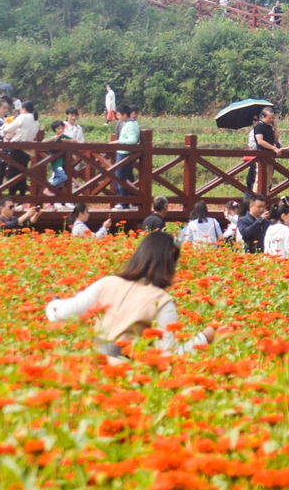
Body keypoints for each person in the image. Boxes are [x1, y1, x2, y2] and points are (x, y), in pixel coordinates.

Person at [44, 231, 209, 363]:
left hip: (92, 369)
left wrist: (54, 305)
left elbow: (64, 312)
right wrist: (205, 337)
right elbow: (168, 353)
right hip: (127, 376)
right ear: (170, 264)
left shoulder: (106, 283)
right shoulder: (162, 301)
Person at [112, 106, 143, 200]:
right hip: (123, 153)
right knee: (122, 178)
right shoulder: (129, 123)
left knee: (119, 179)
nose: (117, 117)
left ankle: (124, 202)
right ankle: (131, 201)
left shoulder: (130, 125)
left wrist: (119, 141)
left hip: (124, 154)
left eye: (118, 115)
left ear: (125, 115)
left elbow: (133, 140)